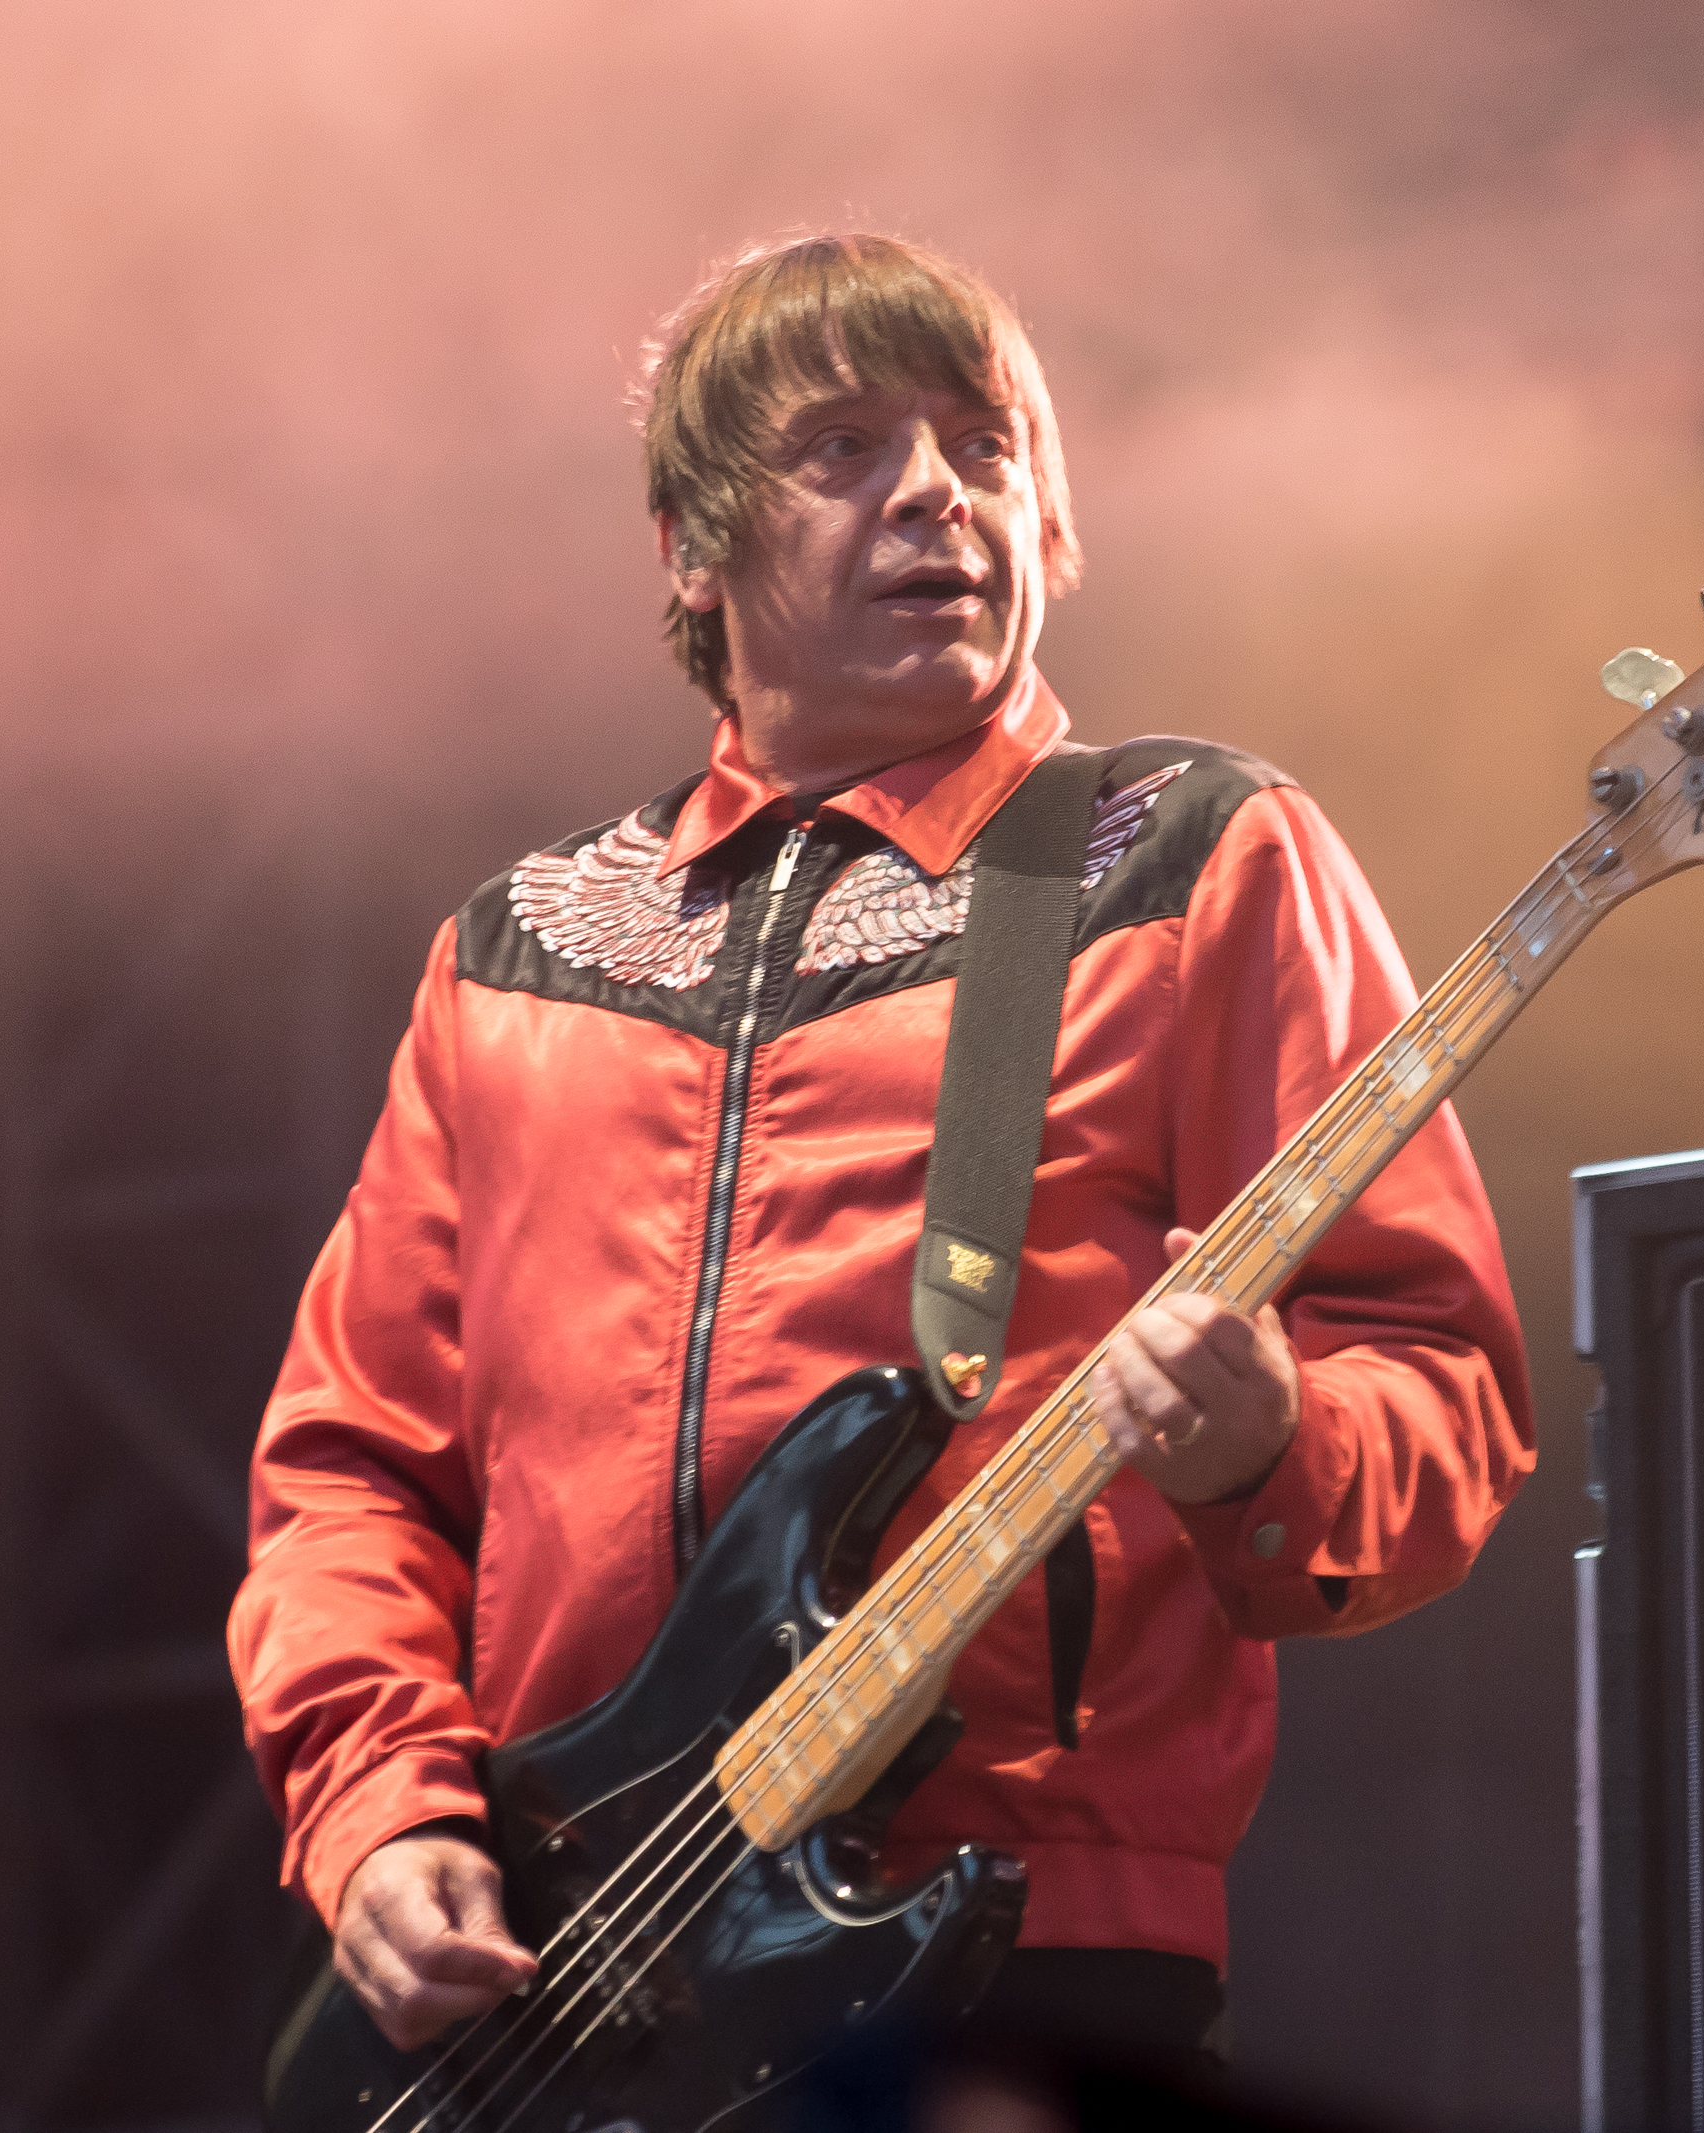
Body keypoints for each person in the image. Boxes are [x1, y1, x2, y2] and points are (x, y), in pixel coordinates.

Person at [226, 233, 1534, 2071]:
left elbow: (1441, 1370)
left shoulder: (1196, 854)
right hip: (562, 1990)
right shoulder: (515, 952)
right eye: (845, 446)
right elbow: (352, 1471)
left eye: (986, 443)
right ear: (690, 546)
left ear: (1047, 520)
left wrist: (1277, 1443)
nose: (936, 489)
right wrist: (381, 1807)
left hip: (1028, 1954)